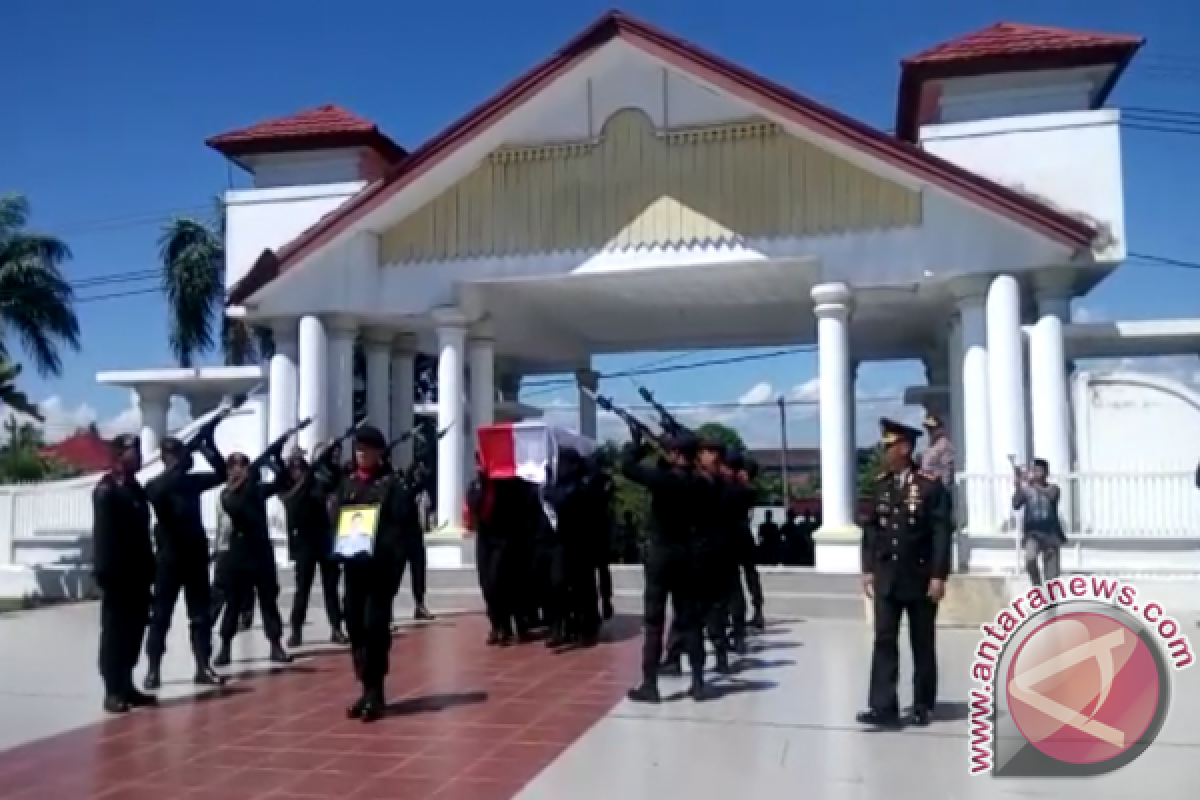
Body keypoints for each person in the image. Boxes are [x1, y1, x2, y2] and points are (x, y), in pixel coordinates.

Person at [857, 418, 952, 730]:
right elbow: (870, 531)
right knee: (884, 639)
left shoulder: (929, 485)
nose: (885, 452)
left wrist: (939, 576)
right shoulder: (880, 484)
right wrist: (867, 569)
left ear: (905, 448)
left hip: (921, 576)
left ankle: (923, 704)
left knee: (921, 642)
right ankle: (883, 705)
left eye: (890, 446)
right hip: (887, 577)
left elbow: (940, 533)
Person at [332, 425, 424, 722]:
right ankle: (364, 687)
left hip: (380, 570)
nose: (361, 454)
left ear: (378, 452)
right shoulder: (347, 484)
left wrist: (391, 561)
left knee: (375, 629)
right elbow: (338, 520)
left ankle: (376, 692)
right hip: (354, 569)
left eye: (366, 449)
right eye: (358, 449)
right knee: (355, 626)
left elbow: (402, 530)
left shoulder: (392, 486)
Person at [622, 432, 709, 704]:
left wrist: (637, 444)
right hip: (688, 555)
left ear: (674, 453)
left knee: (654, 622)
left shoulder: (663, 480)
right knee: (690, 619)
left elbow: (627, 467)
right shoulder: (701, 484)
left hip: (661, 555)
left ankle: (650, 684)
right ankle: (698, 681)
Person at [143, 431, 228, 691]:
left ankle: (203, 666)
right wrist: (175, 468)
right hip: (169, 560)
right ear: (167, 458)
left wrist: (209, 445)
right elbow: (155, 494)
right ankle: (153, 669)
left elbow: (221, 474)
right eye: (177, 455)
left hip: (195, 559)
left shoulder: (191, 483)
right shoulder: (156, 484)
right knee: (161, 617)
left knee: (200, 616)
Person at [92, 434, 158, 713]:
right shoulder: (107, 490)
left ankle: (128, 684)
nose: (139, 456)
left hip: (139, 574)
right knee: (115, 634)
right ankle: (112, 690)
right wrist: (105, 574)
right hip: (117, 575)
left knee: (134, 631)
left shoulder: (136, 489)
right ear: (119, 454)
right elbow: (104, 538)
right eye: (133, 451)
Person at [212, 450, 292, 667]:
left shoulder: (256, 491)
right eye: (235, 465)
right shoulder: (227, 495)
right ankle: (225, 647)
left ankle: (276, 644)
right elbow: (237, 508)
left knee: (269, 601)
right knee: (233, 604)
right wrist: (245, 482)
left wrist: (275, 459)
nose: (240, 469)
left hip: (261, 553)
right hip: (238, 554)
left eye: (244, 464)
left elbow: (282, 482)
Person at [281, 451, 346, 647]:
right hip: (304, 544)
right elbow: (292, 504)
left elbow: (332, 487)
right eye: (294, 469)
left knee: (331, 588)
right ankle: (296, 630)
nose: (297, 472)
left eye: (301, 468)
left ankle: (336, 628)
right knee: (302, 590)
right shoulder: (290, 490)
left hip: (324, 540)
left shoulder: (317, 484)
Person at [1012, 458, 1065, 586]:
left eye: (1039, 470)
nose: (1035, 473)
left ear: (1046, 473)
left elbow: (1051, 496)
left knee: (1052, 577)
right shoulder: (1027, 490)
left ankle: (1051, 604)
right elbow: (1016, 504)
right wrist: (1018, 485)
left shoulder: (1054, 488)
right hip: (1033, 534)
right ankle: (1037, 586)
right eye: (1034, 470)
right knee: (1030, 559)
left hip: (1051, 535)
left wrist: (1032, 484)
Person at [920, 414, 955, 487]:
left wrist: (942, 486)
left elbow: (948, 469)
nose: (930, 431)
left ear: (940, 428)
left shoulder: (944, 444)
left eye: (933, 428)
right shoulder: (932, 445)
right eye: (929, 429)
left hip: (938, 487)